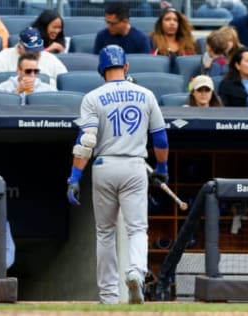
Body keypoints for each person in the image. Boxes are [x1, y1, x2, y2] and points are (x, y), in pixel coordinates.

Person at [66, 45, 168, 304]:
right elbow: (161, 139)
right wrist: (162, 169)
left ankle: (109, 295)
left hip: (104, 165)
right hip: (135, 165)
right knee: (136, 229)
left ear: (101, 69)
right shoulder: (146, 95)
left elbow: (86, 142)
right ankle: (135, 271)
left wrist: (75, 178)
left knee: (105, 232)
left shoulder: (92, 97)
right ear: (126, 66)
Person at [0, 27, 68, 88]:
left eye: (38, 50)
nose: (37, 54)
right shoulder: (3, 57)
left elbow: (65, 82)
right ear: (19, 47)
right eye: (32, 50)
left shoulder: (50, 59)